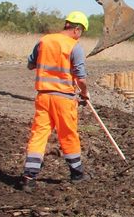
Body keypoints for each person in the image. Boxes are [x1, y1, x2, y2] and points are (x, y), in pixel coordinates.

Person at [16, 11, 91, 192]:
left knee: (39, 134)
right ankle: (77, 174)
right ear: (77, 29)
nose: (80, 36)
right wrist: (85, 94)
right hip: (64, 98)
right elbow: (81, 78)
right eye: (81, 32)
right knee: (68, 134)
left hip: (43, 96)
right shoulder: (75, 47)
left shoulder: (44, 41)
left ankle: (29, 177)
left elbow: (30, 64)